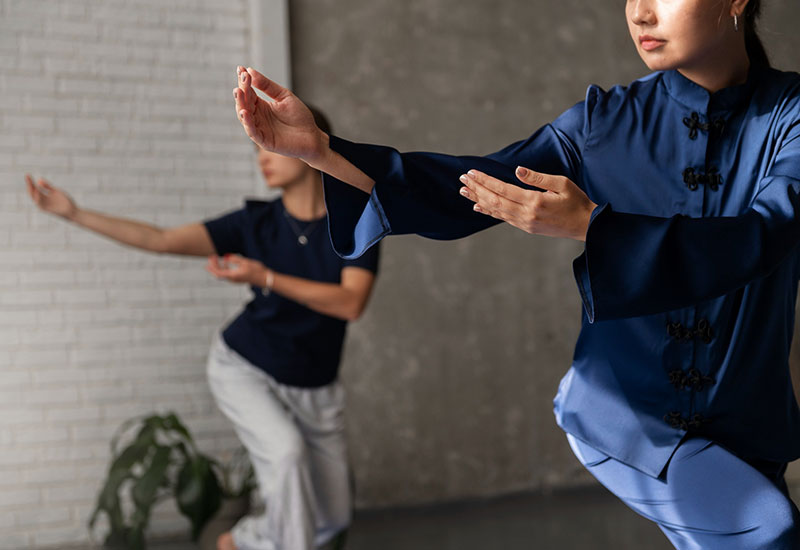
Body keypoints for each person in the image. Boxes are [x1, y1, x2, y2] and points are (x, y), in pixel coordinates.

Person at [230, 0, 800, 548]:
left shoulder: (791, 116)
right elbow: (468, 185)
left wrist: (594, 227)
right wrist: (322, 151)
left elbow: (768, 233)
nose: (639, 12)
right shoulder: (603, 122)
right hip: (625, 416)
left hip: (749, 423)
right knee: (769, 531)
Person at [25, 107, 380, 550]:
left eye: (270, 145)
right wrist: (75, 213)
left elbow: (350, 303)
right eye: (256, 148)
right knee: (286, 455)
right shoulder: (254, 223)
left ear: (310, 142)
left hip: (315, 384)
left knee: (331, 516)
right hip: (245, 368)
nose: (261, 157)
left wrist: (265, 278)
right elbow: (161, 240)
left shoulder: (357, 220)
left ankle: (242, 540)